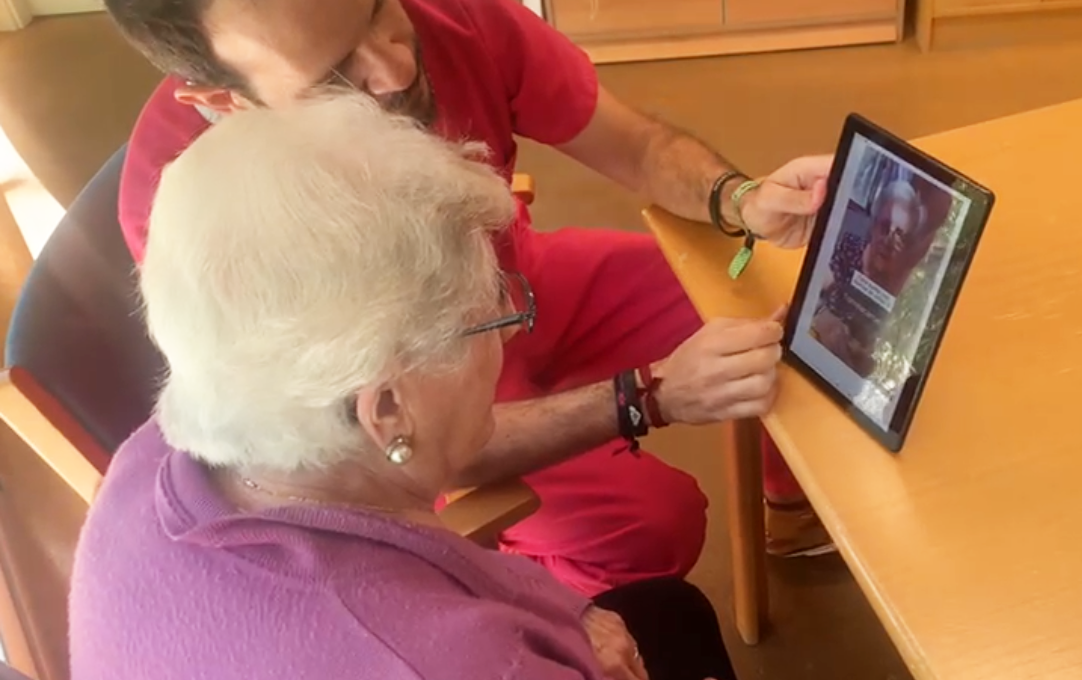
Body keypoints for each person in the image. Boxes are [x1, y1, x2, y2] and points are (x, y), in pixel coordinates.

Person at [93, 0, 835, 587]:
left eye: (375, 4)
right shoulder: (194, 220)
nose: (397, 66)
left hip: (520, 283)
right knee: (654, 528)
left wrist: (738, 197)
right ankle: (564, 607)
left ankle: (795, 512)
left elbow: (638, 147)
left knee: (785, 308)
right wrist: (648, 395)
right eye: (334, 75)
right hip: (422, 395)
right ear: (226, 102)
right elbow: (380, 444)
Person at [69, 93, 738, 680]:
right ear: (387, 409)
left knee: (668, 611)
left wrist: (564, 613)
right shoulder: (467, 663)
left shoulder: (150, 458)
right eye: (490, 316)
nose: (510, 332)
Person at [811, 180, 940, 376]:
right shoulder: (850, 247)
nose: (888, 240)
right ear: (873, 226)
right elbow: (817, 285)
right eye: (884, 227)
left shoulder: (902, 289)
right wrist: (824, 316)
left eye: (899, 234)